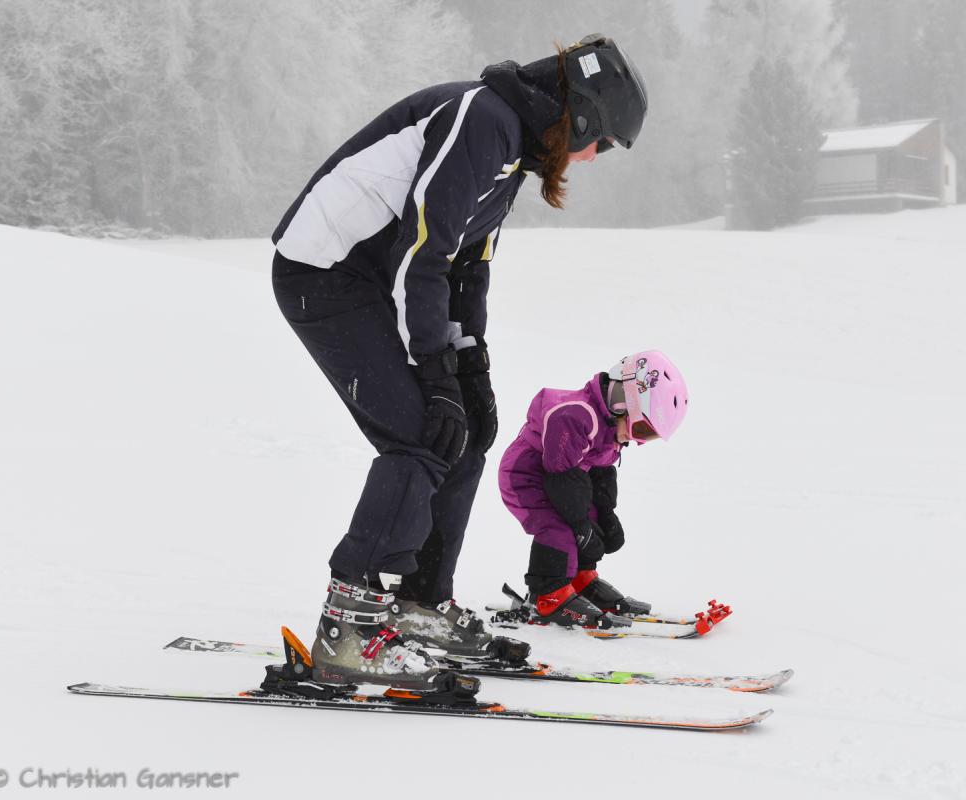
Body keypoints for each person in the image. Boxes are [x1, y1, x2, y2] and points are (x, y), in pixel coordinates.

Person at [269, 35, 648, 689]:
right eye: (604, 141)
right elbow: (425, 248)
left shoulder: (512, 156)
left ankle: (419, 602)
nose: (594, 156)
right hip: (323, 273)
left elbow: (470, 272)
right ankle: (349, 629)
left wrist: (470, 370)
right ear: (581, 113)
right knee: (418, 433)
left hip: (369, 282)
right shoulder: (483, 119)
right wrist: (435, 370)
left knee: (462, 430)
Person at [498, 351, 689, 629]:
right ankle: (548, 597)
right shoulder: (577, 415)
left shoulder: (611, 426)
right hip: (526, 477)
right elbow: (561, 476)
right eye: (641, 429)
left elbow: (599, 474)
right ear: (625, 401)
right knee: (558, 528)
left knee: (590, 521)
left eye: (647, 436)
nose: (637, 441)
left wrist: (605, 513)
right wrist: (579, 524)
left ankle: (578, 580)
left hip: (564, 480)